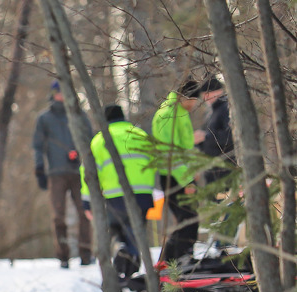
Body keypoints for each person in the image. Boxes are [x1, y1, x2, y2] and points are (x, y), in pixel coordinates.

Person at [81, 105, 156, 280]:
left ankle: (119, 248)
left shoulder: (100, 140)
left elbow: (88, 173)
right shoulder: (140, 135)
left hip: (115, 196)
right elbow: (155, 163)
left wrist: (87, 202)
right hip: (143, 194)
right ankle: (129, 273)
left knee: (116, 229)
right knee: (136, 232)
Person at [32, 80, 94, 268]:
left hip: (79, 172)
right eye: (58, 92)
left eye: (64, 92)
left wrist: (82, 157)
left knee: (85, 213)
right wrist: (40, 169)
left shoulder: (80, 116)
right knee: (58, 216)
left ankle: (86, 254)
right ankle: (63, 256)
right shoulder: (44, 119)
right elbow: (37, 146)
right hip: (56, 173)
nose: (61, 96)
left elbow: (90, 141)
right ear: (53, 94)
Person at [151, 78, 202, 264]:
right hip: (174, 176)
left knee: (187, 219)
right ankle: (174, 259)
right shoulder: (168, 115)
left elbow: (185, 148)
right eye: (194, 100)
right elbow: (170, 153)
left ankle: (175, 259)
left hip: (183, 175)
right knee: (187, 218)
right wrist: (187, 180)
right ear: (185, 97)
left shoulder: (180, 112)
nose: (195, 104)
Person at [196, 76, 235, 186]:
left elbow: (231, 136)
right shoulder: (212, 112)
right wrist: (200, 141)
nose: (205, 99)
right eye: (203, 96)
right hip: (214, 169)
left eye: (208, 94)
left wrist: (206, 137)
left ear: (218, 91)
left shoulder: (225, 109)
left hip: (226, 168)